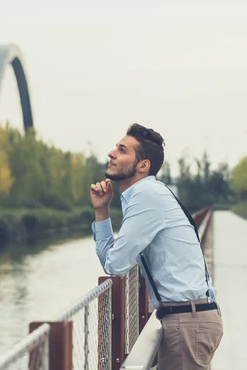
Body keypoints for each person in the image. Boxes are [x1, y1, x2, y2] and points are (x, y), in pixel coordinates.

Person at [90, 123, 223, 370]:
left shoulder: (146, 195)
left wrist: (102, 215)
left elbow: (115, 264)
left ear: (143, 165)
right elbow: (115, 262)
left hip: (187, 321)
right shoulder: (149, 193)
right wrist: (102, 210)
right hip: (188, 319)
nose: (111, 153)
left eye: (122, 150)